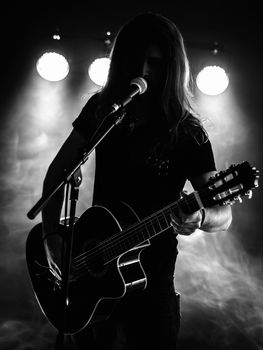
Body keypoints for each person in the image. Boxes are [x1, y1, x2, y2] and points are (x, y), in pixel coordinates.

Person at [41, 12, 232, 350]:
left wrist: (201, 216)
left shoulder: (188, 132)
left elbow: (223, 214)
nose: (144, 71)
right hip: (92, 282)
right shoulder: (103, 110)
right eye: (136, 61)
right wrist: (53, 235)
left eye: (155, 63)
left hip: (152, 289)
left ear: (172, 67)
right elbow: (60, 172)